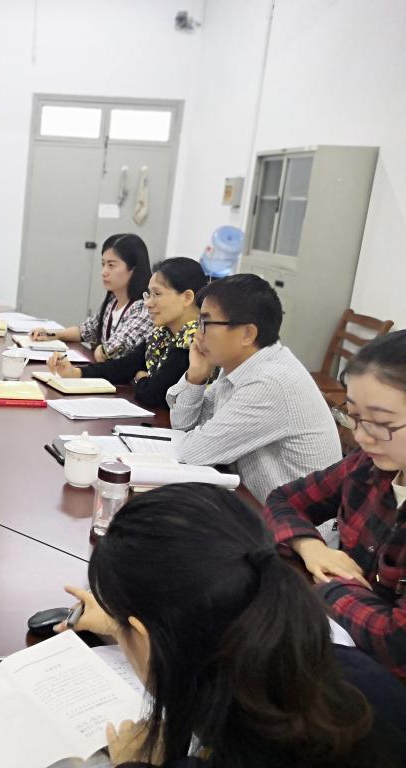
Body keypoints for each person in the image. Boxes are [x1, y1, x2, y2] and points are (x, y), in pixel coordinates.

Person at [59, 484, 406, 768]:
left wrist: (132, 762)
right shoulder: (343, 669)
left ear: (145, 637)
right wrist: (139, 626)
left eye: (127, 630)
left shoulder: (242, 741)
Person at [264, 330, 406, 681]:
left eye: (382, 423)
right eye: (353, 416)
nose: (361, 436)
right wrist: (309, 546)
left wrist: (330, 584)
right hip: (341, 641)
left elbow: (397, 644)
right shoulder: (368, 465)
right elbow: (284, 499)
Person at [166, 273, 340, 503]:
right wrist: (196, 377)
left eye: (206, 324)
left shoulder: (270, 382)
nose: (198, 334)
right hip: (258, 505)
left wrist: (195, 435)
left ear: (247, 334)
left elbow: (193, 453)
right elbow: (183, 426)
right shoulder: (241, 365)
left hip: (292, 522)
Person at [46, 257, 206, 408]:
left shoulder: (194, 340)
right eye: (148, 295)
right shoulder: (162, 334)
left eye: (157, 294)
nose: (148, 303)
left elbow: (153, 394)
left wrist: (140, 378)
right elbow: (124, 366)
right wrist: (75, 372)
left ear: (187, 297)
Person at [30, 233, 153, 361]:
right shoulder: (113, 303)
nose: (103, 272)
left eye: (111, 265)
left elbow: (110, 351)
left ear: (133, 269)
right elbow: (85, 331)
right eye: (103, 264)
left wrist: (100, 350)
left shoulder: (144, 308)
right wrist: (51, 334)